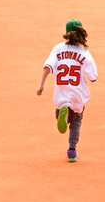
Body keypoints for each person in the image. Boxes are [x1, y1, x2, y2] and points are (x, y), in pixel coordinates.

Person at [36, 20, 98, 163]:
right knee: (76, 122)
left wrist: (41, 85)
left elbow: (47, 66)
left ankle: (61, 116)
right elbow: (93, 76)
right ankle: (72, 150)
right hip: (78, 93)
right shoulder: (84, 52)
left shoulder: (58, 48)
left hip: (61, 91)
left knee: (61, 108)